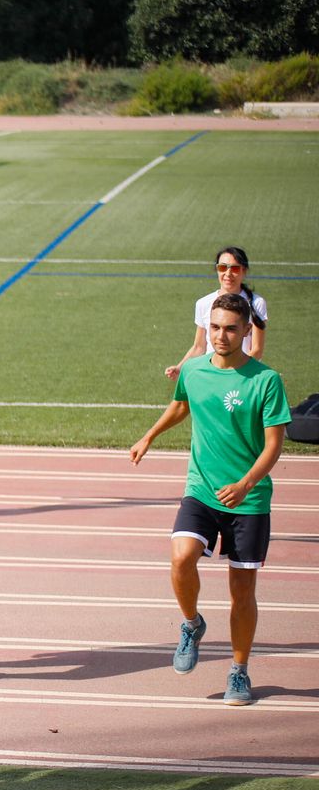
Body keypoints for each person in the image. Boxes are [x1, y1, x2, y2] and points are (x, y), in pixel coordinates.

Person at [131, 293, 290, 706]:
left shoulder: (265, 380)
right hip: (201, 490)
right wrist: (150, 434)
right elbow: (182, 404)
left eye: (231, 329)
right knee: (181, 557)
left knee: (242, 591)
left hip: (248, 501)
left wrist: (246, 484)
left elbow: (274, 445)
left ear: (245, 331)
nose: (221, 335)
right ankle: (191, 623)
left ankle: (239, 672)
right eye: (215, 327)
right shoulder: (195, 370)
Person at [165, 246, 269, 380]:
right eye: (222, 267)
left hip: (242, 376)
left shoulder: (256, 303)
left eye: (235, 268)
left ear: (244, 271)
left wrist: (234, 373)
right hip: (210, 375)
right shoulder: (203, 303)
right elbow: (199, 347)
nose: (228, 273)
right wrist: (180, 367)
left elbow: (256, 350)